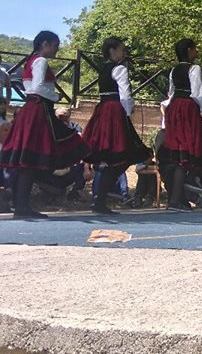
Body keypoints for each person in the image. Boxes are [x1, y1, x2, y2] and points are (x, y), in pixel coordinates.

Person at [0, 31, 89, 218]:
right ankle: (22, 206)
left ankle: (22, 205)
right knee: (32, 158)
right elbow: (38, 87)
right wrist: (55, 97)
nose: (57, 49)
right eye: (55, 45)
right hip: (39, 110)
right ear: (45, 44)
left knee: (28, 159)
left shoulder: (31, 60)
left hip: (32, 110)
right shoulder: (40, 61)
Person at [81, 37, 150, 214]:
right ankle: (100, 199)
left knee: (112, 154)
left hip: (103, 110)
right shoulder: (119, 69)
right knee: (123, 153)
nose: (124, 52)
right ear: (112, 50)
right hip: (115, 112)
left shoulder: (104, 69)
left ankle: (99, 199)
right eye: (121, 49)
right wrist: (127, 112)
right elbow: (125, 94)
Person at [159, 38, 202, 211]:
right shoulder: (194, 68)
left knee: (179, 152)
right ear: (189, 50)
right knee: (195, 149)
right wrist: (201, 112)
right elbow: (197, 93)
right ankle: (182, 195)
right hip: (187, 109)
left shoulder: (174, 70)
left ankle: (180, 196)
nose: (197, 51)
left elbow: (171, 92)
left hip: (174, 108)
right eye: (195, 48)